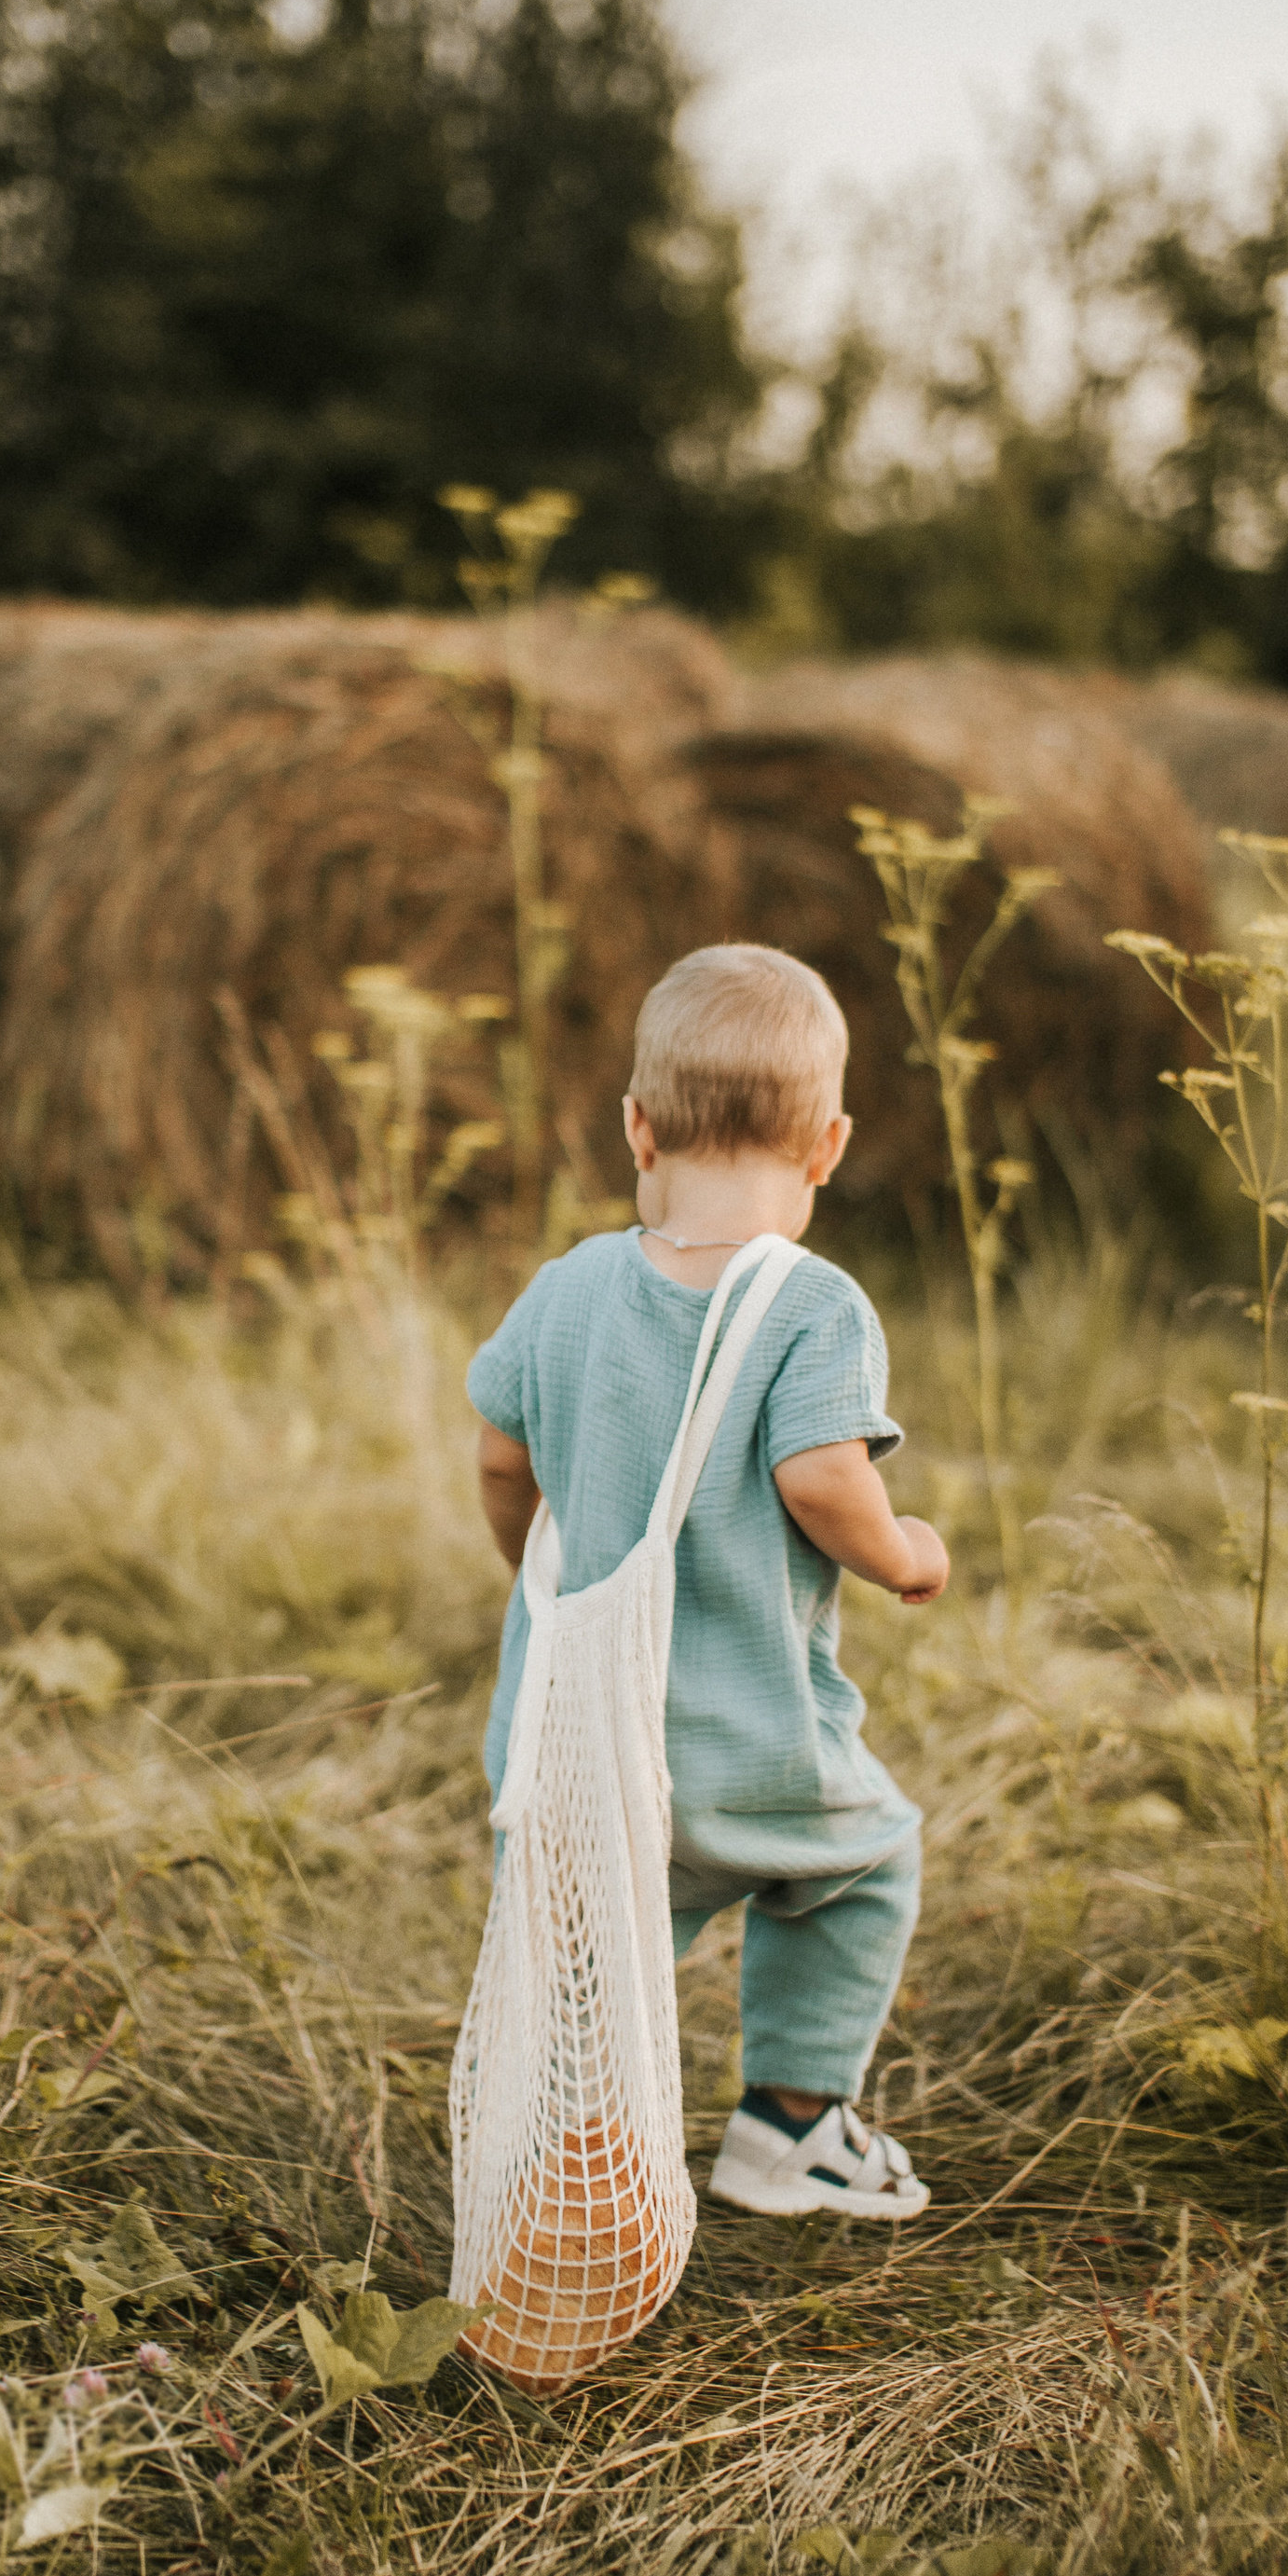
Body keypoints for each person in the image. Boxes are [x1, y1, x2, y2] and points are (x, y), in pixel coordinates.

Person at [466, 943, 950, 2221]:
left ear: (636, 1126)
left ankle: (571, 2168)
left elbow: (501, 1459)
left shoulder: (564, 1290)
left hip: (569, 1748)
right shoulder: (814, 1307)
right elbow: (823, 1482)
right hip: (744, 1752)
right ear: (830, 1146)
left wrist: (532, 1571)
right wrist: (907, 1554)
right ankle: (789, 2131)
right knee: (864, 1864)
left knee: (594, 1953)